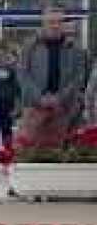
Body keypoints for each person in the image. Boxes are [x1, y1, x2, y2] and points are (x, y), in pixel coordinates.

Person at [17, 8, 90, 144]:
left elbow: (79, 77)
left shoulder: (76, 49)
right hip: (35, 109)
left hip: (66, 110)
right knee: (33, 155)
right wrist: (40, 97)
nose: (55, 26)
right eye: (51, 22)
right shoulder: (29, 47)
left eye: (59, 22)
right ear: (43, 23)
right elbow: (22, 74)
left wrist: (60, 98)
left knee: (65, 155)